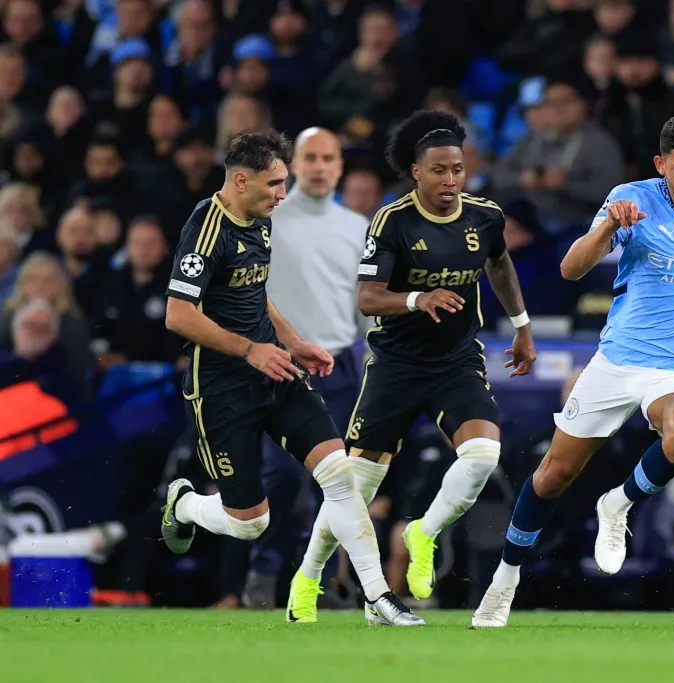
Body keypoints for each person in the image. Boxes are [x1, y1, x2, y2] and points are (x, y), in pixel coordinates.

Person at [472, 114, 674, 628]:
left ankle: (618, 504)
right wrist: (607, 226)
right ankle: (504, 582)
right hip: (618, 361)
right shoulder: (634, 199)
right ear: (660, 165)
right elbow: (570, 268)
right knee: (553, 476)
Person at [160, 129, 423, 627]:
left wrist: (292, 340)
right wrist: (249, 349)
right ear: (241, 180)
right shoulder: (206, 228)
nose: (284, 193)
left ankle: (378, 598)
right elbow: (178, 314)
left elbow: (255, 292)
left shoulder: (260, 220)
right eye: (275, 183)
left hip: (276, 370)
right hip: (220, 385)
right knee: (250, 521)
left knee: (340, 476)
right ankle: (187, 504)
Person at [289, 110, 537, 621]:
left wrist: (522, 324)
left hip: (455, 359)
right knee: (354, 491)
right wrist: (417, 298)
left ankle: (423, 530)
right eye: (439, 170)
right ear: (416, 172)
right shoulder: (391, 221)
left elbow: (499, 263)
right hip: (397, 364)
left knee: (484, 453)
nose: (450, 180)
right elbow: (367, 297)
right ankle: (308, 576)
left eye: (457, 170)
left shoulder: (484, 217)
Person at [240, 127, 370, 609]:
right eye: (310, 157)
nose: (319, 167)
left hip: (338, 366)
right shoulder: (267, 219)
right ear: (294, 165)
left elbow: (364, 305)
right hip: (275, 365)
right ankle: (263, 576)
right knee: (280, 477)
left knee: (334, 484)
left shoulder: (358, 228)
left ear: (340, 166)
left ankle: (313, 584)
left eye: (328, 158)